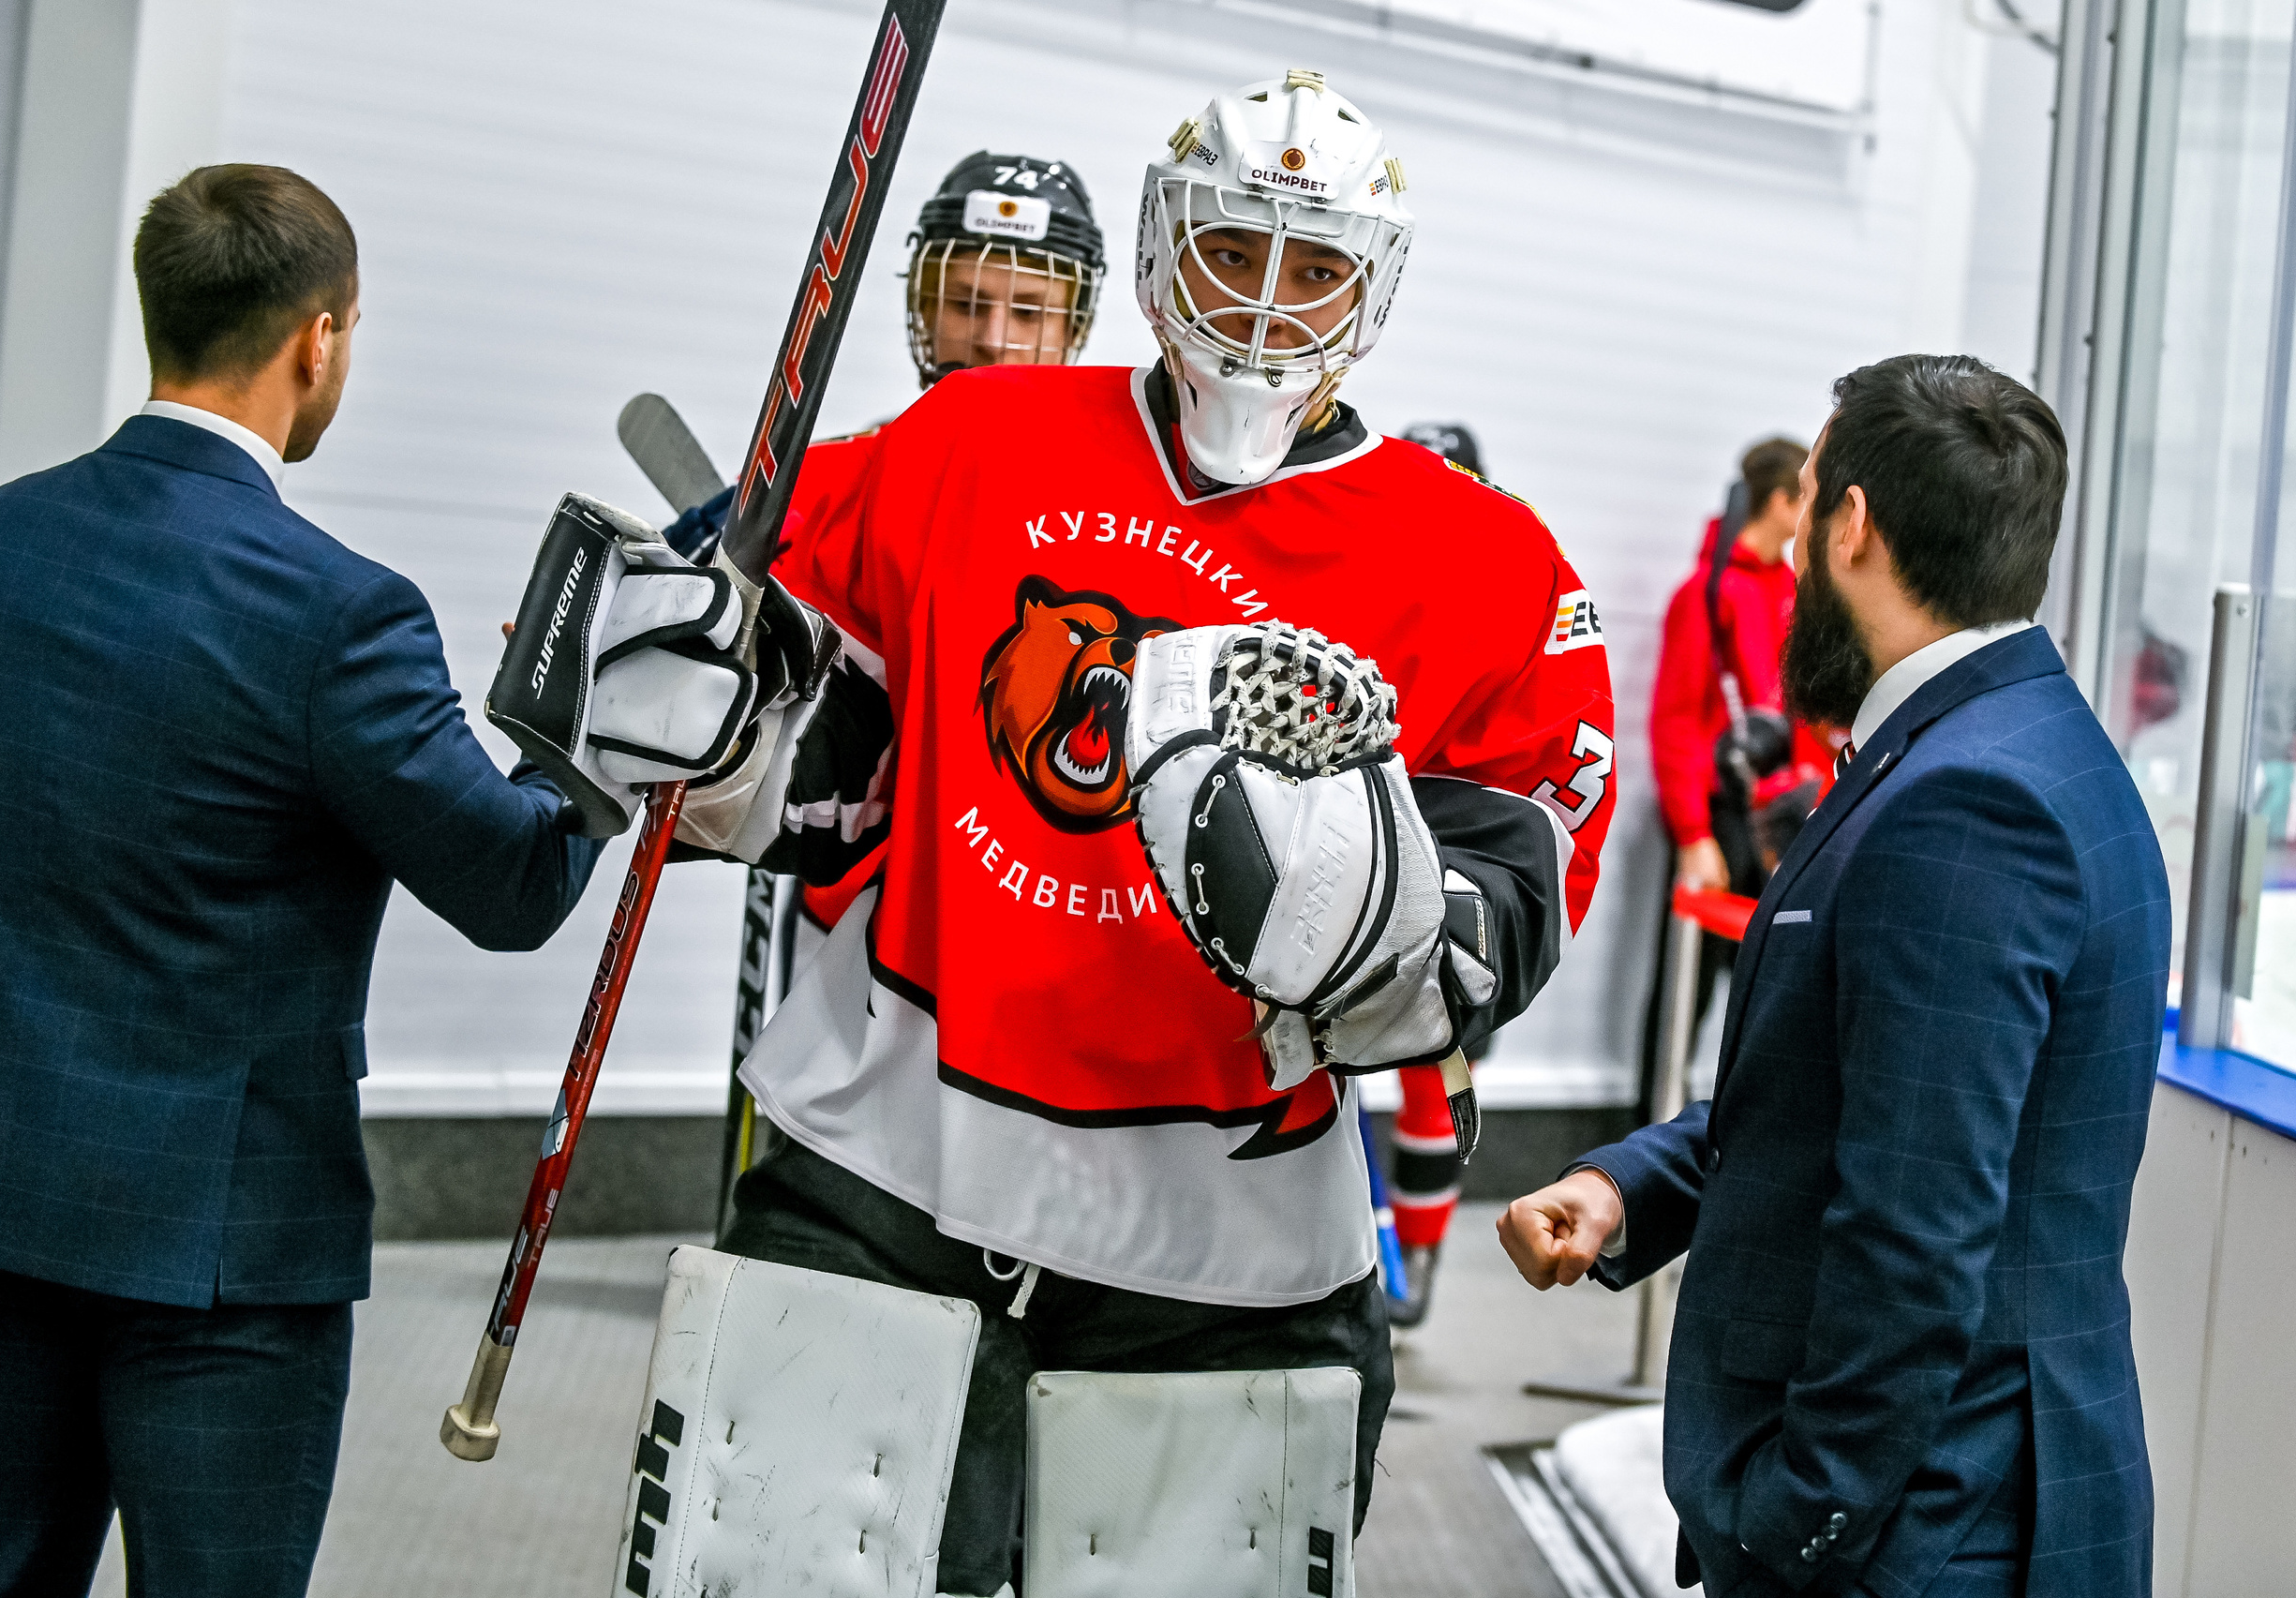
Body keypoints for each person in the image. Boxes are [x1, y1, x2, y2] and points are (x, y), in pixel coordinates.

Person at [669, 71, 1618, 1595]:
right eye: (1232, 248)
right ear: (1164, 243)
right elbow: (808, 732)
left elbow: (1519, 875)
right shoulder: (975, 436)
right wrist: (691, 698)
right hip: (885, 1178)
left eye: (1312, 267)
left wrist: (1390, 932)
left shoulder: (1485, 561)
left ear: (1372, 294)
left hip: (1223, 1259)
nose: (1260, 304)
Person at [0, 165, 731, 1597]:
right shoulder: (337, 613)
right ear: (320, 339)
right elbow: (513, 885)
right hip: (224, 1258)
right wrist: (587, 733)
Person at [1499, 354, 2169, 1598]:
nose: (1793, 546)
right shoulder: (2010, 743)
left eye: (1807, 504)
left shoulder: (1967, 802)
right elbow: (1859, 1102)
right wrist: (1627, 1185)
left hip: (1925, 1534)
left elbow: (1916, 1235)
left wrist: (1797, 1518)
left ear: (1852, 524)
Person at [667, 149, 1107, 983]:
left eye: (1029, 310)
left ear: (1071, 324)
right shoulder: (847, 472)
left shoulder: (1112, 508)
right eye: (966, 302)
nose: (992, 335)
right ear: (922, 304)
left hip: (1029, 918)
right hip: (853, 905)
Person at [1650, 436, 1826, 898]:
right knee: (1704, 963)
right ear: (1780, 502)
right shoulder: (1706, 594)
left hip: (1783, 807)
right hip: (1722, 812)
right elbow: (1676, 719)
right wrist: (1693, 835)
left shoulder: (1793, 591)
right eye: (1807, 496)